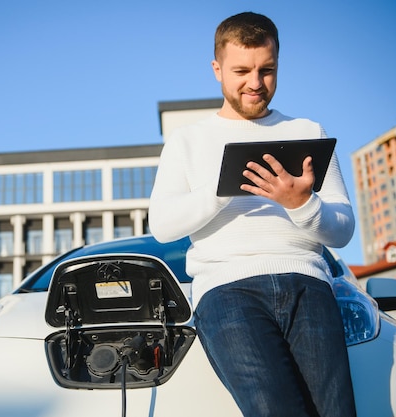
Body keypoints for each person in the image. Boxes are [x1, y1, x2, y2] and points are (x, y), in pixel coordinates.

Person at [148, 11, 357, 417]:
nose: (256, 83)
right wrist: (224, 187)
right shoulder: (187, 140)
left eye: (268, 70)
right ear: (217, 69)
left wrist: (303, 204)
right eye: (242, 70)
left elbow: (344, 228)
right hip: (229, 290)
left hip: (309, 284)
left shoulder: (308, 131)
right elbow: (162, 226)